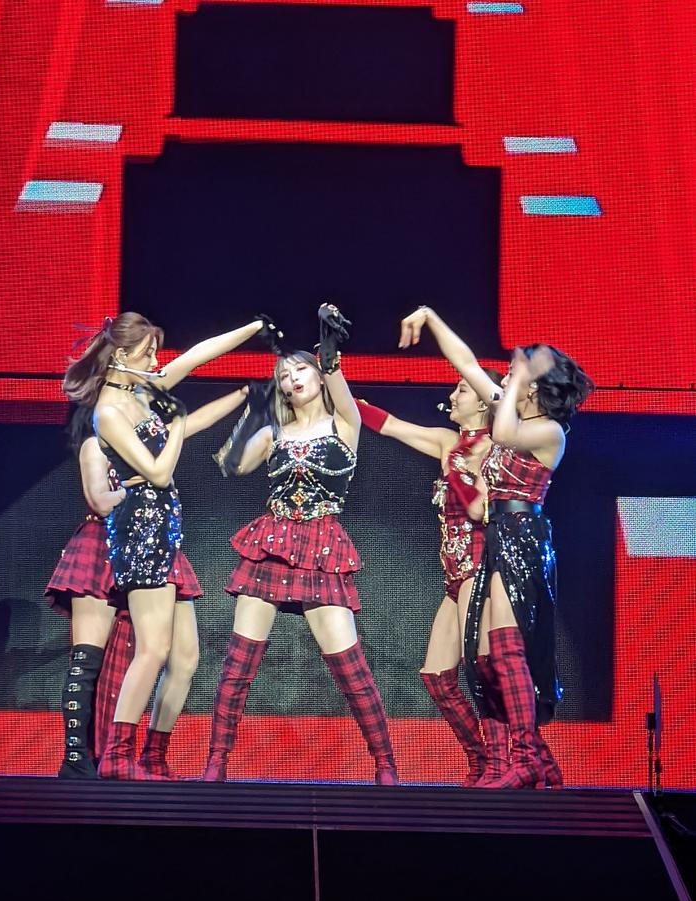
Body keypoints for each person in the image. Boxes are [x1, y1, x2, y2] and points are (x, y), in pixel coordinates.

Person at [63, 311, 266, 779]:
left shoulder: (142, 394)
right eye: (147, 353)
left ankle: (153, 756)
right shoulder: (109, 412)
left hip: (164, 531)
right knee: (152, 649)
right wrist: (174, 425)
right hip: (139, 530)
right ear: (120, 356)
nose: (156, 362)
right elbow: (157, 472)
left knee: (186, 656)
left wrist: (253, 332)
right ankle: (117, 757)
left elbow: (194, 358)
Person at [202, 305, 398, 785]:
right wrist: (253, 412)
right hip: (271, 541)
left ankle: (385, 765)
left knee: (350, 669)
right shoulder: (276, 431)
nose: (291, 380)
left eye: (300, 370)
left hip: (321, 544)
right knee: (238, 666)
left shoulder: (344, 423)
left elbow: (341, 390)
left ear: (316, 374)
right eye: (284, 376)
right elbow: (231, 465)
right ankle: (216, 763)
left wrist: (329, 355)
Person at [399, 306, 593, 788]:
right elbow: (466, 363)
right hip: (494, 538)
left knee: (506, 653)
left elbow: (504, 433)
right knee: (491, 658)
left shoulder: (550, 431)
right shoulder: (511, 406)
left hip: (522, 537)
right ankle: (537, 760)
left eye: (516, 373)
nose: (506, 375)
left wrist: (516, 380)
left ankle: (526, 758)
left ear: (534, 387)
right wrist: (432, 319)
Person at [354, 371, 505, 785]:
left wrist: (467, 474)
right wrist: (340, 391)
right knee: (437, 677)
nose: (452, 395)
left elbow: (488, 512)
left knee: (482, 669)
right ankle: (480, 760)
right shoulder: (446, 441)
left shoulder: (499, 450)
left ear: (484, 401)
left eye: (462, 390)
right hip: (454, 575)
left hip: (480, 566)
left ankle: (501, 764)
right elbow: (391, 426)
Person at [45, 405, 127, 778]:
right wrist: (139, 491)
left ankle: (110, 756)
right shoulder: (95, 445)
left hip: (135, 551)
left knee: (122, 667)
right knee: (87, 660)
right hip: (99, 548)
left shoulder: (141, 449)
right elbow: (99, 500)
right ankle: (75, 760)